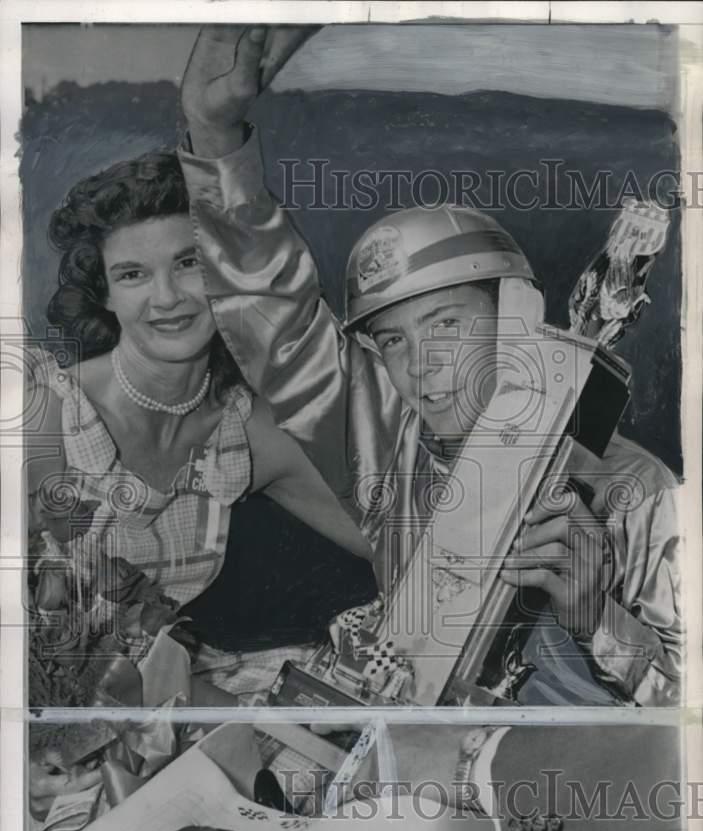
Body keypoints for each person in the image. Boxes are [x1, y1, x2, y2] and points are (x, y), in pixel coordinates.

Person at [178, 26, 681, 707]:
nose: (422, 367)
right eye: (392, 341)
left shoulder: (640, 492)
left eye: (447, 324)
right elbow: (281, 329)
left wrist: (598, 615)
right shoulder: (396, 451)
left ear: (516, 320)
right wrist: (213, 136)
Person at [27, 149, 373, 711]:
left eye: (189, 263)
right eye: (133, 274)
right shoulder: (49, 414)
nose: (167, 299)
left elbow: (402, 546)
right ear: (106, 294)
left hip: (179, 706)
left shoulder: (252, 429)